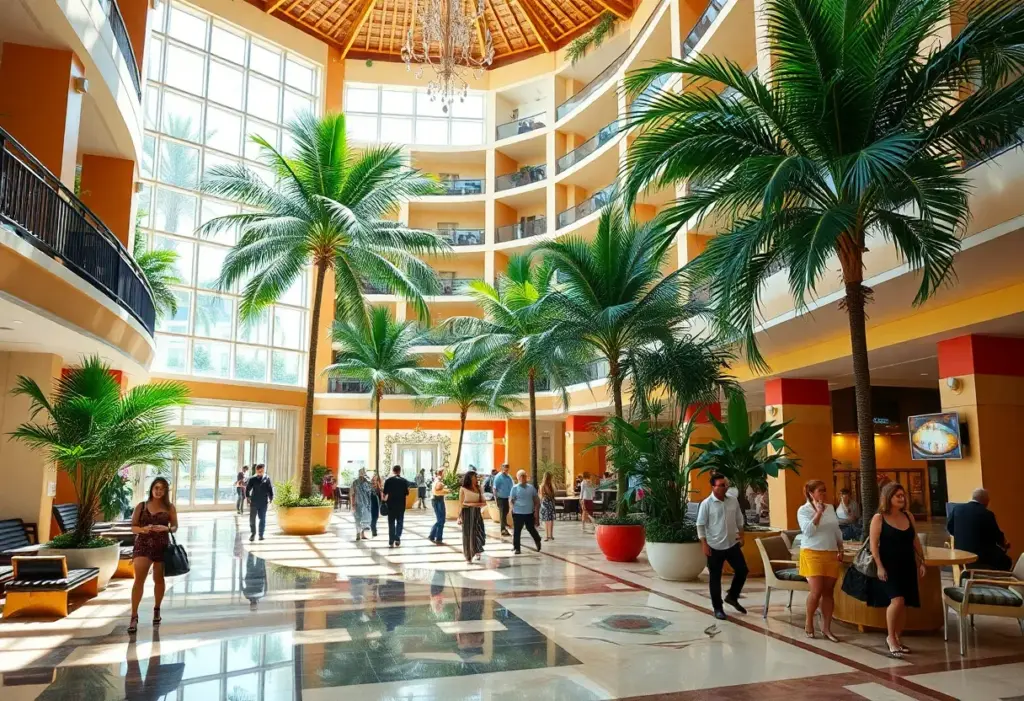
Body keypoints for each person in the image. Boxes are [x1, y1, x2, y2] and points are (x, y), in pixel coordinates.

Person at [841, 482, 926, 658]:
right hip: (888, 565)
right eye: (898, 496)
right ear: (889, 498)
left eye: (903, 496)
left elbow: (914, 540)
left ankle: (898, 637)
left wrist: (921, 561)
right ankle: (890, 638)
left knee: (904, 603)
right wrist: (879, 566)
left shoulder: (908, 516)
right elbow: (873, 545)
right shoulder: (879, 518)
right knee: (897, 600)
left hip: (907, 564)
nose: (902, 499)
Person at [128, 477, 178, 635]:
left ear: (165, 491)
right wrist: (144, 529)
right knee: (139, 580)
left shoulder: (169, 507)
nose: (158, 491)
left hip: (161, 545)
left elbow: (175, 526)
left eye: (162, 488)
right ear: (151, 488)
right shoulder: (141, 506)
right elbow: (133, 527)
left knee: (158, 579)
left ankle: (157, 609)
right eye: (156, 487)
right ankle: (134, 615)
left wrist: (166, 528)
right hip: (143, 544)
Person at [797, 480, 844, 641]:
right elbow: (808, 531)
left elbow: (836, 529)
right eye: (820, 491)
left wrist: (840, 547)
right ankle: (809, 621)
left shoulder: (830, 508)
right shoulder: (803, 510)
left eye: (824, 490)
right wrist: (818, 513)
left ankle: (826, 628)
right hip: (812, 552)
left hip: (830, 552)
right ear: (811, 493)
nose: (823, 493)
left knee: (828, 592)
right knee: (816, 591)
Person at [696, 473, 748, 621]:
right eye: (721, 485)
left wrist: (742, 535)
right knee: (715, 578)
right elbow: (700, 525)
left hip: (732, 544)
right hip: (714, 546)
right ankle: (717, 608)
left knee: (742, 571)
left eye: (726, 485)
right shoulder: (707, 504)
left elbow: (739, 518)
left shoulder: (733, 501)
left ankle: (732, 596)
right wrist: (704, 544)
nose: (725, 487)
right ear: (713, 487)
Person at [947, 488, 1013, 571]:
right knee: (1007, 562)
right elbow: (996, 536)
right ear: (985, 501)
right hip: (980, 557)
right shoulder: (987, 514)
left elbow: (950, 527)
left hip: (960, 554)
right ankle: (996, 581)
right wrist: (1005, 543)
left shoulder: (957, 509)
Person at [510, 470, 542, 554]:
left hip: (528, 512)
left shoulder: (531, 488)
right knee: (517, 530)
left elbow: (536, 499)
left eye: (524, 476)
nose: (522, 478)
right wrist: (511, 509)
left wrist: (536, 511)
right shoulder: (515, 488)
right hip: (518, 512)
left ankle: (537, 539)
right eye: (520, 476)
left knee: (530, 528)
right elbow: (511, 500)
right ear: (518, 478)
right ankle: (517, 548)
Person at [458, 471, 487, 563]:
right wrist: (459, 517)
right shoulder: (463, 489)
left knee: (479, 532)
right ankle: (468, 555)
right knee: (468, 534)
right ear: (470, 477)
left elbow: (484, 502)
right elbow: (461, 504)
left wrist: (471, 504)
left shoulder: (479, 488)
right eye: (475, 476)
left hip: (477, 513)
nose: (476, 478)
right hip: (467, 514)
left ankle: (477, 550)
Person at [382, 465, 410, 547]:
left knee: (391, 523)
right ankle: (397, 538)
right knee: (400, 522)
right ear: (399, 471)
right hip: (401, 505)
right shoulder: (404, 481)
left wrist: (383, 502)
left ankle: (391, 540)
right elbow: (407, 493)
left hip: (391, 505)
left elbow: (384, 493)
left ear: (393, 471)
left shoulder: (388, 481)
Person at [246, 464, 274, 542]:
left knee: (262, 519)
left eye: (262, 470)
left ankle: (261, 535)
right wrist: (248, 497)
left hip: (263, 503)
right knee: (252, 519)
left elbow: (270, 489)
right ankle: (253, 534)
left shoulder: (267, 478)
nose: (260, 472)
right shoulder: (252, 479)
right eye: (259, 470)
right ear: (256, 470)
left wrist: (271, 498)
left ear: (263, 470)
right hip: (254, 502)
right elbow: (248, 489)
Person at [492, 464, 514, 537]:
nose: (506, 471)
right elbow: (494, 488)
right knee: (502, 513)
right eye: (505, 469)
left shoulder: (509, 477)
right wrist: (496, 499)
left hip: (507, 498)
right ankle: (502, 530)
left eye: (507, 469)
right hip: (500, 498)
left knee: (506, 511)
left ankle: (504, 524)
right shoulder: (498, 477)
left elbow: (512, 486)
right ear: (502, 468)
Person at [352, 468, 373, 541]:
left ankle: (361, 533)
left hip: (363, 503)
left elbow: (353, 494)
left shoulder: (364, 482)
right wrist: (353, 504)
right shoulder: (362, 482)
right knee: (360, 518)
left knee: (361, 518)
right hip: (362, 503)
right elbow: (353, 494)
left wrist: (353, 504)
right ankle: (359, 533)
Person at [429, 470, 449, 545]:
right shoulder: (439, 480)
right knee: (441, 520)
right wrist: (446, 490)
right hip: (438, 500)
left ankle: (434, 536)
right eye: (444, 472)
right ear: (440, 473)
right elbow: (438, 488)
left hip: (436, 500)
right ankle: (437, 537)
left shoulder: (436, 479)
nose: (445, 474)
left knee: (440, 520)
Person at [539, 472, 556, 541]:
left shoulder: (544, 485)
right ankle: (549, 536)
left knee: (548, 520)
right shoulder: (547, 485)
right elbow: (551, 494)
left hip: (546, 503)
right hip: (549, 503)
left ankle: (549, 536)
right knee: (549, 520)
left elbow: (541, 496)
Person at [370, 472, 383, 537]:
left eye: (375, 479)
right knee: (373, 517)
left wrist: (380, 487)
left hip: (377, 504)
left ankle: (373, 528)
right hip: (371, 504)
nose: (374, 481)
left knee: (375, 517)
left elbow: (381, 496)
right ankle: (374, 530)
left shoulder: (378, 488)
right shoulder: (369, 487)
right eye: (373, 479)